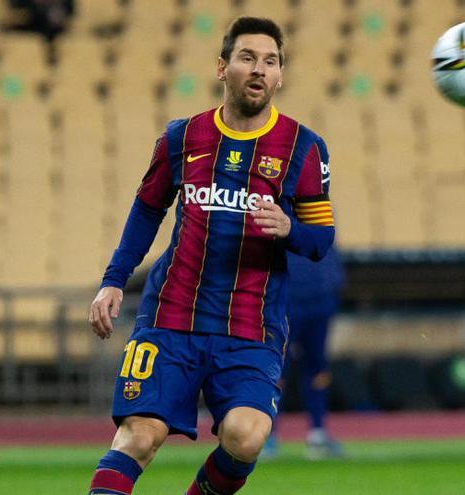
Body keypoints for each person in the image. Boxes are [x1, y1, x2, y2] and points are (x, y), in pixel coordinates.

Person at [86, 17, 335, 495]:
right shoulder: (183, 138)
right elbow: (147, 208)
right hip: (171, 315)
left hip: (249, 326)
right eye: (247, 58)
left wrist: (289, 229)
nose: (259, 69)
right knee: (139, 435)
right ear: (223, 68)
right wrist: (114, 278)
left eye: (270, 61)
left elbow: (320, 241)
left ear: (281, 74)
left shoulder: (304, 148)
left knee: (247, 436)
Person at [263, 246, 345, 460]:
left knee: (317, 368)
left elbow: (330, 253)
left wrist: (333, 284)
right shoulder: (278, 215)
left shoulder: (321, 216)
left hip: (320, 302)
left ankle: (318, 434)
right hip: (286, 303)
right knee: (277, 370)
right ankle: (267, 435)